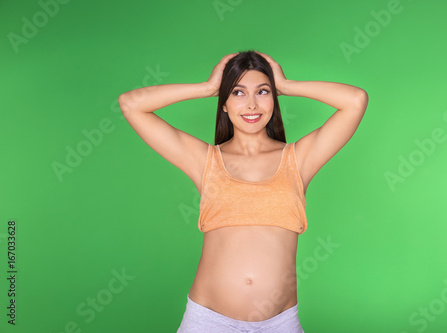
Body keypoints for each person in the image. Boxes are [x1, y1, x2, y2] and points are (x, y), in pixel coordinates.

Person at [118, 50, 368, 333]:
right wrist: (208, 88)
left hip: (280, 323)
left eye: (262, 92)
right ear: (223, 103)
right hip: (209, 322)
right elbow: (131, 104)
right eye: (238, 93)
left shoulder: (299, 159)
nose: (251, 104)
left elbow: (355, 101)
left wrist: (286, 85)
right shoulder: (204, 160)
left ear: (273, 98)